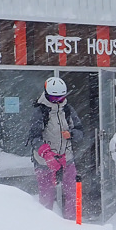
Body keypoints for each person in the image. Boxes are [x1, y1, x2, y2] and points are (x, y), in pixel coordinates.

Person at [27, 76, 83, 218]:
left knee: (72, 194)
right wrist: (46, 154)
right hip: (44, 162)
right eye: (53, 98)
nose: (57, 101)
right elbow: (34, 137)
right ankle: (47, 226)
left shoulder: (68, 110)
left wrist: (71, 134)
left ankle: (73, 224)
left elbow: (80, 132)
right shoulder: (40, 112)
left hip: (67, 159)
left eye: (60, 97)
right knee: (46, 197)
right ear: (46, 94)